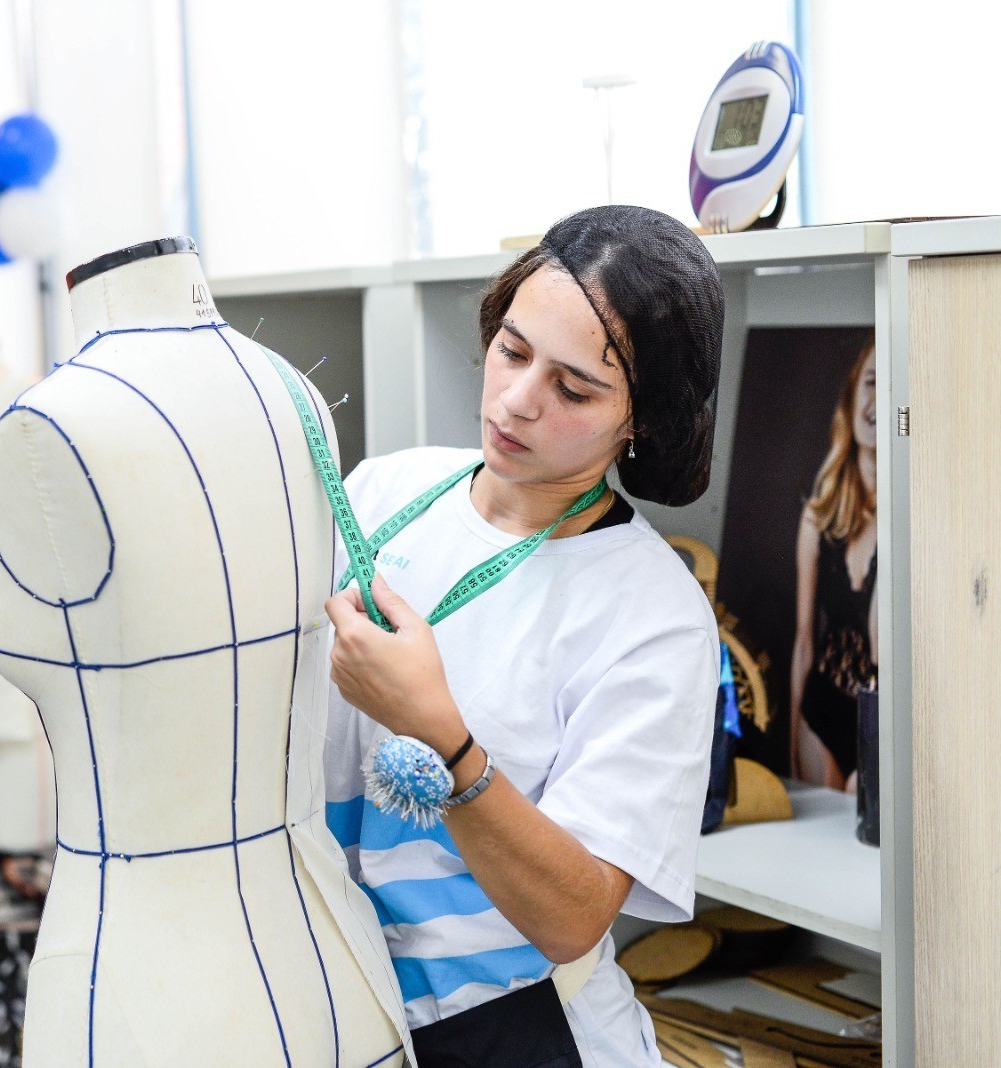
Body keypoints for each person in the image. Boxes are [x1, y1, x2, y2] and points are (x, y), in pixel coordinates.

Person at [323, 205, 724, 1067]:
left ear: (641, 421)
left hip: (514, 1029)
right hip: (346, 1007)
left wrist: (443, 737)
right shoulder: (386, 493)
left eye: (573, 388)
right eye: (511, 349)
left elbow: (572, 917)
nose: (516, 400)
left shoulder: (653, 615)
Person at [791, 340, 877, 790]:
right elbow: (805, 641)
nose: (878, 401)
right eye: (870, 383)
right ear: (850, 397)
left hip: (881, 720)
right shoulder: (819, 517)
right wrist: (789, 742)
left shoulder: (915, 520)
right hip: (823, 707)